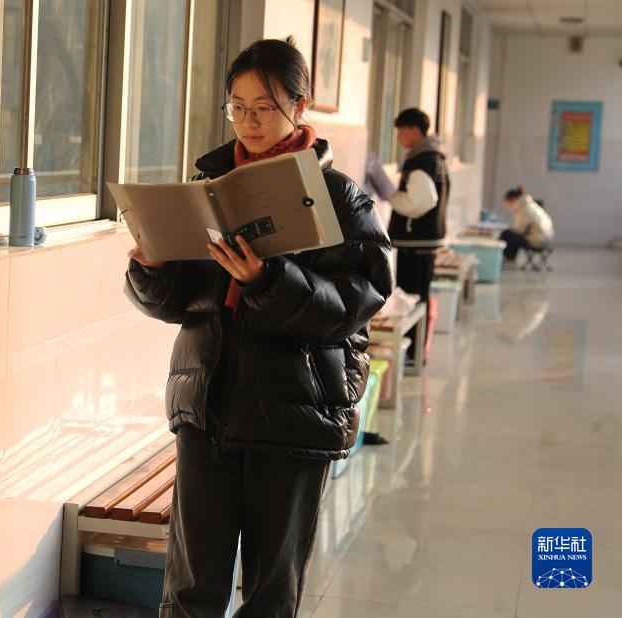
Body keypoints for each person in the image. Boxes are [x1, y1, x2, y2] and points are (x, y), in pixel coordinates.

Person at [124, 37, 392, 617]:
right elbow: (180, 306)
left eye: (264, 108)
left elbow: (357, 302)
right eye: (237, 107)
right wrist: (152, 268)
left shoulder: (341, 199)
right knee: (190, 588)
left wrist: (269, 281)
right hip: (208, 408)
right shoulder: (208, 187)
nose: (249, 122)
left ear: (300, 105)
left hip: (294, 412)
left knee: (271, 591)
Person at [366, 108, 449, 364]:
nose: (399, 138)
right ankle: (415, 352)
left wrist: (391, 195)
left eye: (401, 132)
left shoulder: (422, 160)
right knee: (419, 295)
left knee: (413, 298)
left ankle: (411, 353)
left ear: (414, 130)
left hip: (416, 241)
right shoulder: (435, 157)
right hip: (426, 239)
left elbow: (418, 202)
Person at [500, 186, 554, 262]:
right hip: (545, 239)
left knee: (507, 234)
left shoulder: (524, 209)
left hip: (538, 241)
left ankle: (508, 258)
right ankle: (510, 257)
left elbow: (519, 230)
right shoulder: (529, 205)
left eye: (507, 201)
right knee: (511, 235)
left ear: (512, 199)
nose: (507, 204)